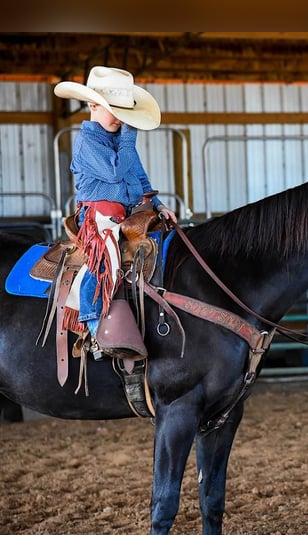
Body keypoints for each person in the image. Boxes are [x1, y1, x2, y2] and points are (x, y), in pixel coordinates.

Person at [53, 66, 177, 353]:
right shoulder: (87, 141)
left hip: (128, 216)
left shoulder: (121, 140)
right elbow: (114, 172)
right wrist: (130, 137)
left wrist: (158, 205)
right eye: (115, 112)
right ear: (93, 105)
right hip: (98, 216)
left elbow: (141, 179)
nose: (121, 120)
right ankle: (94, 326)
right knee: (105, 259)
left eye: (125, 115)